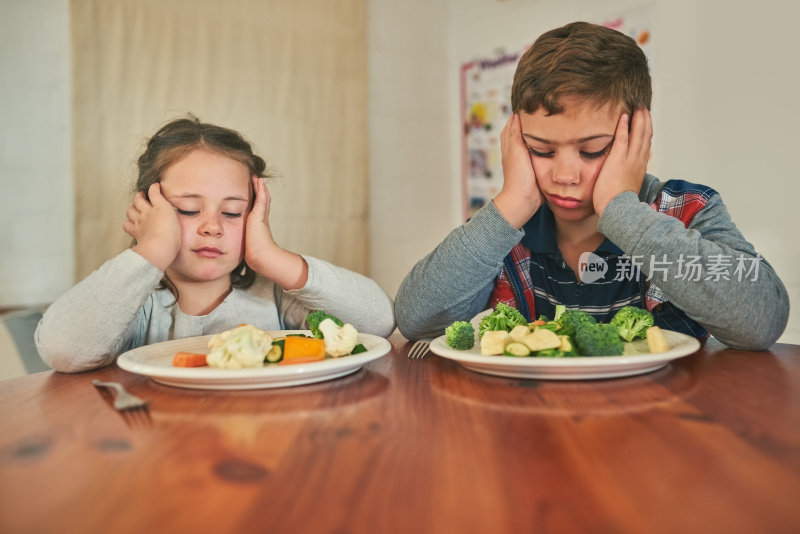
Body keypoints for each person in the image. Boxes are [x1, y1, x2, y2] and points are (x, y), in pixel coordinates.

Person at [394, 21, 789, 350]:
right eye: (541, 150)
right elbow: (416, 319)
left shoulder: (686, 208)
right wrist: (510, 205)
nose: (565, 176)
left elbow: (763, 320)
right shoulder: (504, 230)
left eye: (593, 150)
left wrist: (622, 210)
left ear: (639, 138)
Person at [36, 115, 395, 372]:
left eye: (233, 213)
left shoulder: (274, 297)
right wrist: (151, 250)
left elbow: (377, 321)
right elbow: (62, 350)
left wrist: (271, 257)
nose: (212, 227)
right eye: (189, 210)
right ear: (147, 210)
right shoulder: (135, 307)